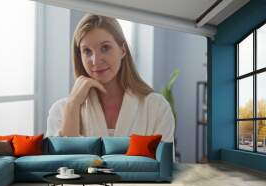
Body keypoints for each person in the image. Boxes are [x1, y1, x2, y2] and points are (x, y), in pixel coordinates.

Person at [46, 14, 175, 142]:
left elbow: (163, 162)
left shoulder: (157, 108)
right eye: (87, 51)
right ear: (79, 56)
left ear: (123, 50)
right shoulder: (61, 111)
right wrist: (72, 105)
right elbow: (62, 161)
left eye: (105, 48)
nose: (95, 61)